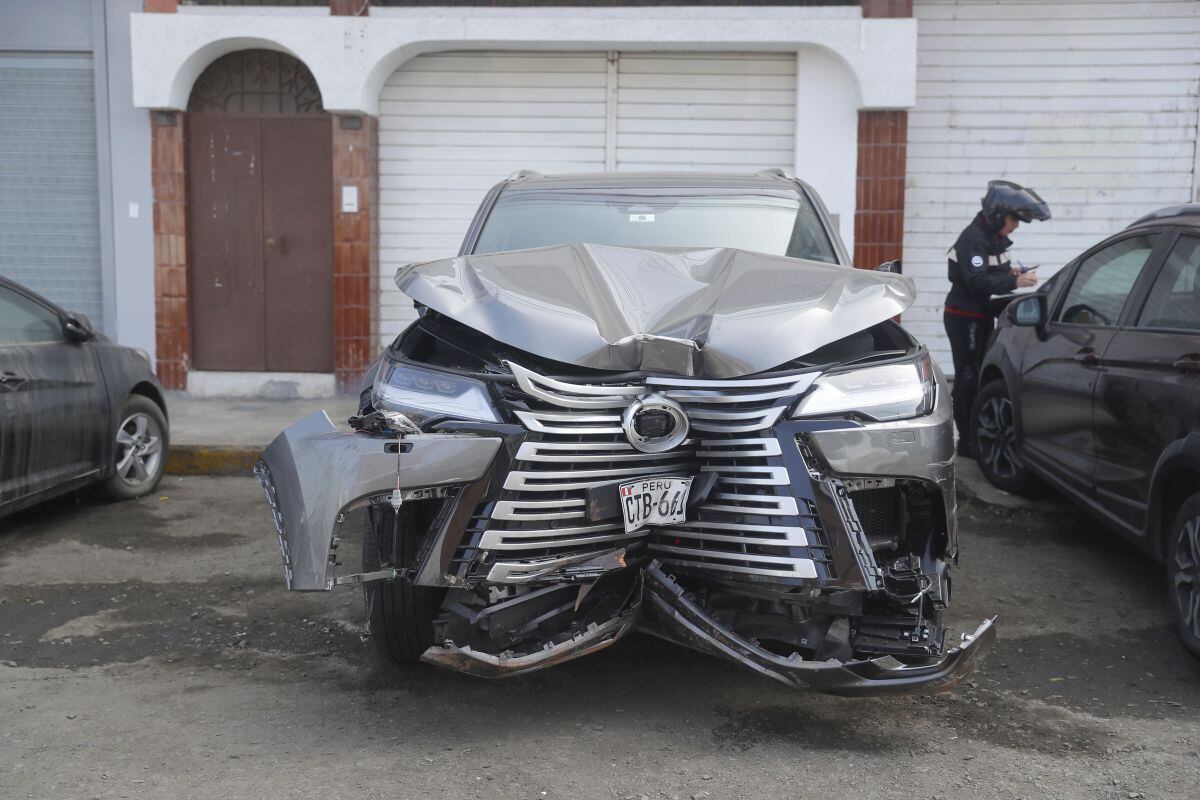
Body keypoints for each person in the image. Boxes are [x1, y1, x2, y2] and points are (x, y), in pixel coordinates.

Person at [944, 180, 1050, 457]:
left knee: (979, 373)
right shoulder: (974, 239)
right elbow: (977, 282)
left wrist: (1012, 273)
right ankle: (966, 442)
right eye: (1013, 219)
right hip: (964, 316)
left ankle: (976, 436)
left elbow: (990, 274)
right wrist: (1015, 282)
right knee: (968, 376)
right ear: (996, 213)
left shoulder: (993, 238)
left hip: (979, 313)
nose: (1016, 225)